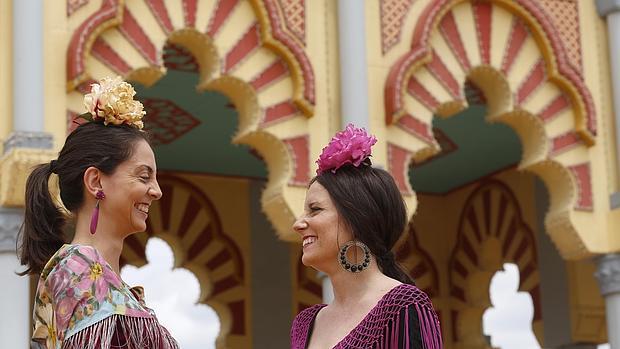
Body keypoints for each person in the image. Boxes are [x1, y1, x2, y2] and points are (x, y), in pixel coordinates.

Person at [18, 76, 179, 348]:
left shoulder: (104, 280)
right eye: (143, 177)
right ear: (95, 181)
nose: (156, 191)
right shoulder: (78, 269)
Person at [290, 124, 443, 349]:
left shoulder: (402, 307)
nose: (298, 224)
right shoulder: (304, 324)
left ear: (356, 219)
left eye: (315, 210)